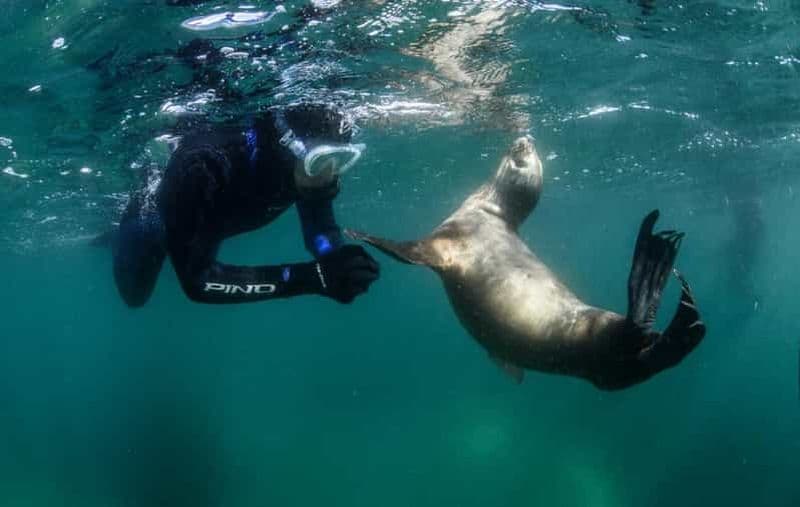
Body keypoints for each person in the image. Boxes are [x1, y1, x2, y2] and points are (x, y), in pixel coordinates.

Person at [111, 103, 380, 307]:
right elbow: (199, 282)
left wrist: (335, 259)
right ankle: (122, 232)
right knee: (135, 293)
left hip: (216, 223)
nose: (331, 174)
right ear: (289, 149)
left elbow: (320, 230)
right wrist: (313, 277)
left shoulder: (309, 170)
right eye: (321, 160)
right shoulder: (203, 165)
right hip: (161, 216)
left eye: (342, 159)